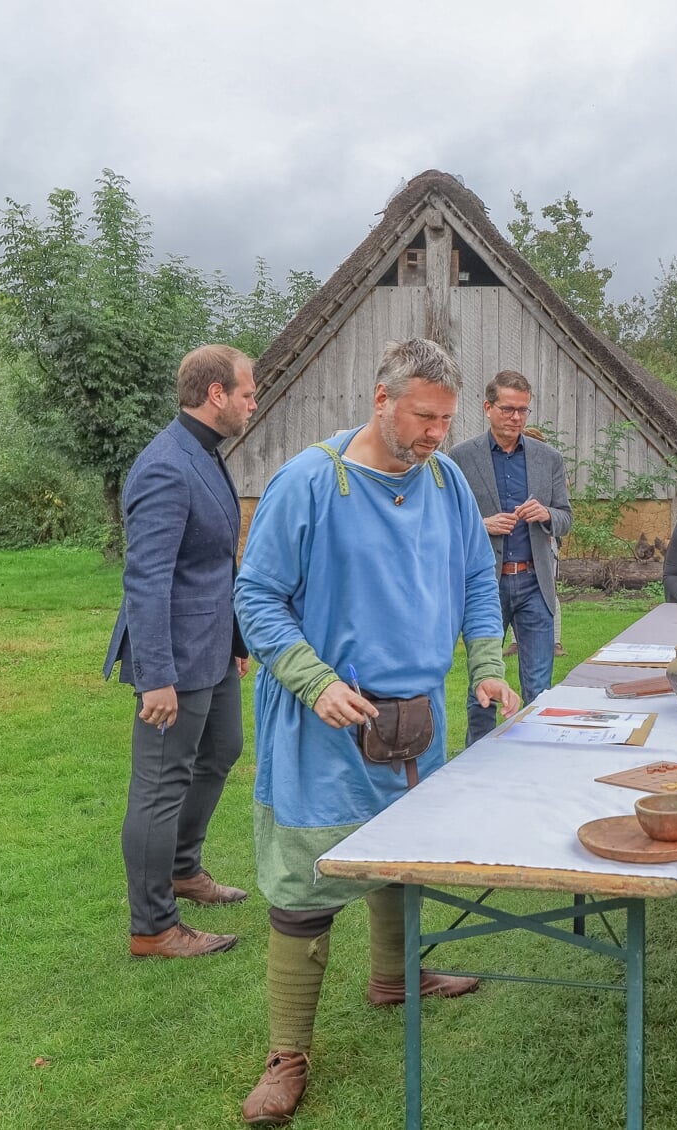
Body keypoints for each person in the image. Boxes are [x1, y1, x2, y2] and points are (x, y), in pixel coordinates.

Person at [233, 338, 521, 1125]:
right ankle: (287, 1054)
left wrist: (487, 662)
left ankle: (396, 976)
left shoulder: (446, 482)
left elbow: (473, 578)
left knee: (403, 856)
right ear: (381, 399)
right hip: (327, 719)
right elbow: (256, 599)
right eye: (423, 417)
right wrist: (315, 682)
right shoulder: (309, 484)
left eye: (445, 419)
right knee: (306, 886)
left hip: (417, 717)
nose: (436, 433)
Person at [102, 344, 259, 960]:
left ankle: (183, 868)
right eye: (247, 391)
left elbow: (217, 564)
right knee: (160, 784)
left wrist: (238, 642)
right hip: (172, 657)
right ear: (216, 393)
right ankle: (154, 928)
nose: (253, 401)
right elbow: (146, 578)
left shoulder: (204, 452)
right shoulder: (166, 464)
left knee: (223, 748)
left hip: (213, 648)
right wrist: (157, 677)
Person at [450, 370, 573, 746]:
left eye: (523, 410)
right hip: (486, 583)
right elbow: (446, 522)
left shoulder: (547, 459)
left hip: (535, 583)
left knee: (539, 685)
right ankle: (478, 758)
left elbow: (566, 519)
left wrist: (547, 515)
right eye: (507, 409)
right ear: (488, 408)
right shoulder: (460, 458)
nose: (516, 418)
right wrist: (481, 524)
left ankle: (534, 758)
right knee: (483, 682)